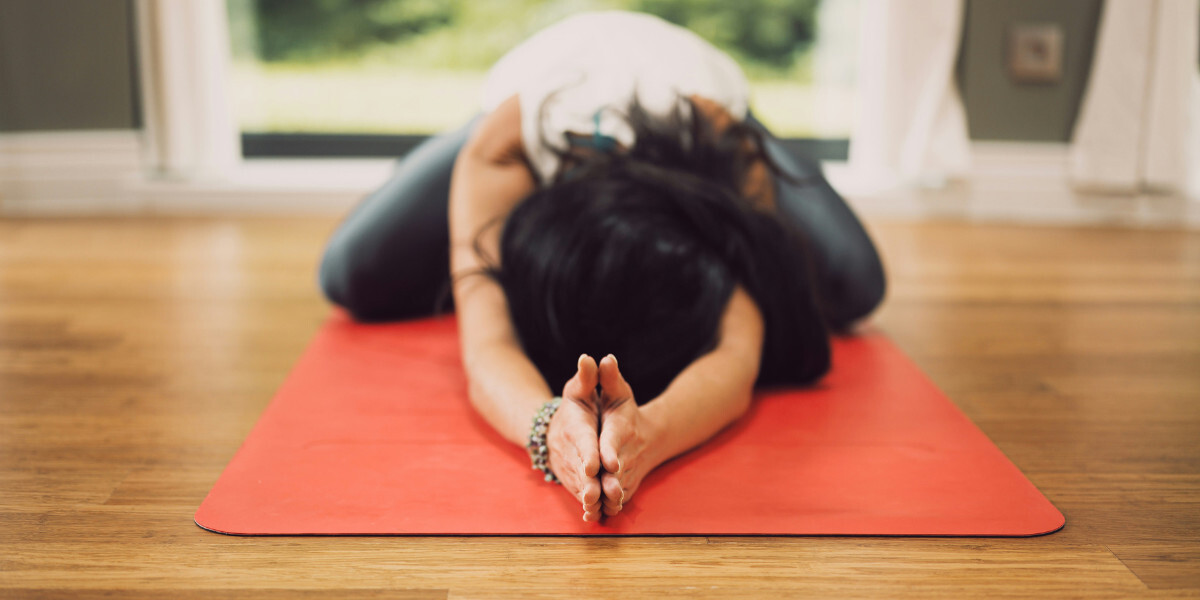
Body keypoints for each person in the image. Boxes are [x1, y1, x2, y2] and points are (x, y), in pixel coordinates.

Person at [317, 11, 886, 522]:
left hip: (700, 89)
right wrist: (548, 429)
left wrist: (648, 438)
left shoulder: (721, 151)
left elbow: (739, 349)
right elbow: (487, 342)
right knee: (349, 274)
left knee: (855, 284)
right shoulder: (504, 149)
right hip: (532, 84)